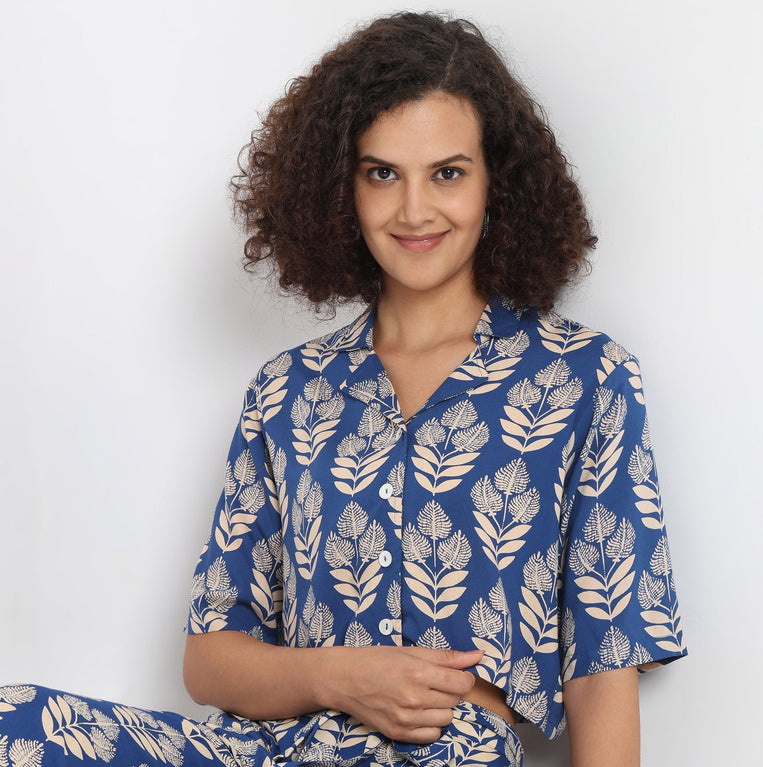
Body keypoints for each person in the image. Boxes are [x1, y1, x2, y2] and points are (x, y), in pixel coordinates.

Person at [0, 11, 685, 767]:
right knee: (15, 721)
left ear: (497, 182)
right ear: (342, 187)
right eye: (381, 173)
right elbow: (210, 658)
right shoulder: (286, 390)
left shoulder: (585, 377)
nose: (413, 209)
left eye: (448, 173)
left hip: (447, 752)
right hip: (268, 748)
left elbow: (604, 666)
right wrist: (345, 676)